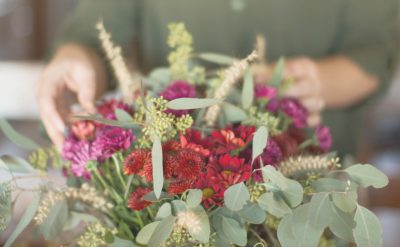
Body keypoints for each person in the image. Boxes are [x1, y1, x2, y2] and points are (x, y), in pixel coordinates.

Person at [37, 0, 399, 155]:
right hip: (172, 190)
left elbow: (376, 53)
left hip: (311, 194)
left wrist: (319, 81)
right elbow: (93, 34)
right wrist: (73, 61)